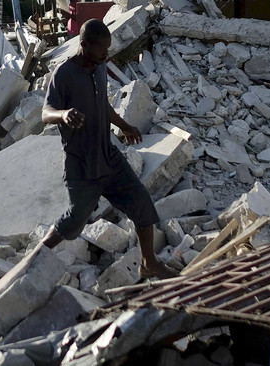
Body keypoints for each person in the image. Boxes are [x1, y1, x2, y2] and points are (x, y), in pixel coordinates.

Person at [40, 19, 175, 279]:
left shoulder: (100, 67)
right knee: (74, 220)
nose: (106, 54)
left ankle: (149, 263)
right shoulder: (64, 74)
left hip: (108, 157)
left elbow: (102, 103)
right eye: (101, 49)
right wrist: (64, 114)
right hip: (81, 163)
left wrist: (125, 125)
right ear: (84, 45)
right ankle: (36, 256)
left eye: (108, 48)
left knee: (142, 205)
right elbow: (46, 112)